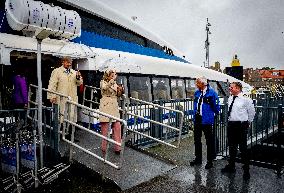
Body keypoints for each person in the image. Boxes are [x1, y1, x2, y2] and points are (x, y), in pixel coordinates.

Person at [221, 82, 255, 179]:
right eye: (230, 87)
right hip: (231, 125)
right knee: (232, 147)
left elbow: (252, 112)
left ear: (238, 88)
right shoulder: (231, 98)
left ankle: (246, 170)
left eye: (231, 87)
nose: (229, 88)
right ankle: (231, 166)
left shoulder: (246, 99)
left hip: (241, 126)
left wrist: (248, 122)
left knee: (243, 148)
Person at [47, 57, 83, 135]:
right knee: (60, 116)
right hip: (61, 98)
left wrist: (78, 77)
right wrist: (51, 96)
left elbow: (79, 83)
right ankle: (57, 134)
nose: (69, 64)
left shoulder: (74, 72)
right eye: (67, 62)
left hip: (72, 98)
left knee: (71, 116)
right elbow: (52, 84)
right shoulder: (56, 71)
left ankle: (69, 134)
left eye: (70, 62)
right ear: (63, 62)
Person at [190, 76, 220, 169]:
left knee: (209, 141)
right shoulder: (197, 93)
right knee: (197, 140)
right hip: (198, 119)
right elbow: (196, 105)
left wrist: (211, 115)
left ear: (203, 84)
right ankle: (198, 159)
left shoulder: (212, 93)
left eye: (197, 83)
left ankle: (210, 161)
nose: (196, 84)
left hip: (207, 120)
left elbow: (217, 108)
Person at [99, 69, 122, 155]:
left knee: (117, 127)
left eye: (115, 75)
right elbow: (104, 88)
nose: (114, 76)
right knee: (105, 129)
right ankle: (104, 148)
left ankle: (118, 148)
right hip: (106, 106)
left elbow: (117, 95)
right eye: (112, 75)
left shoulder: (115, 83)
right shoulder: (103, 82)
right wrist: (112, 81)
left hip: (114, 106)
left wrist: (120, 90)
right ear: (107, 75)